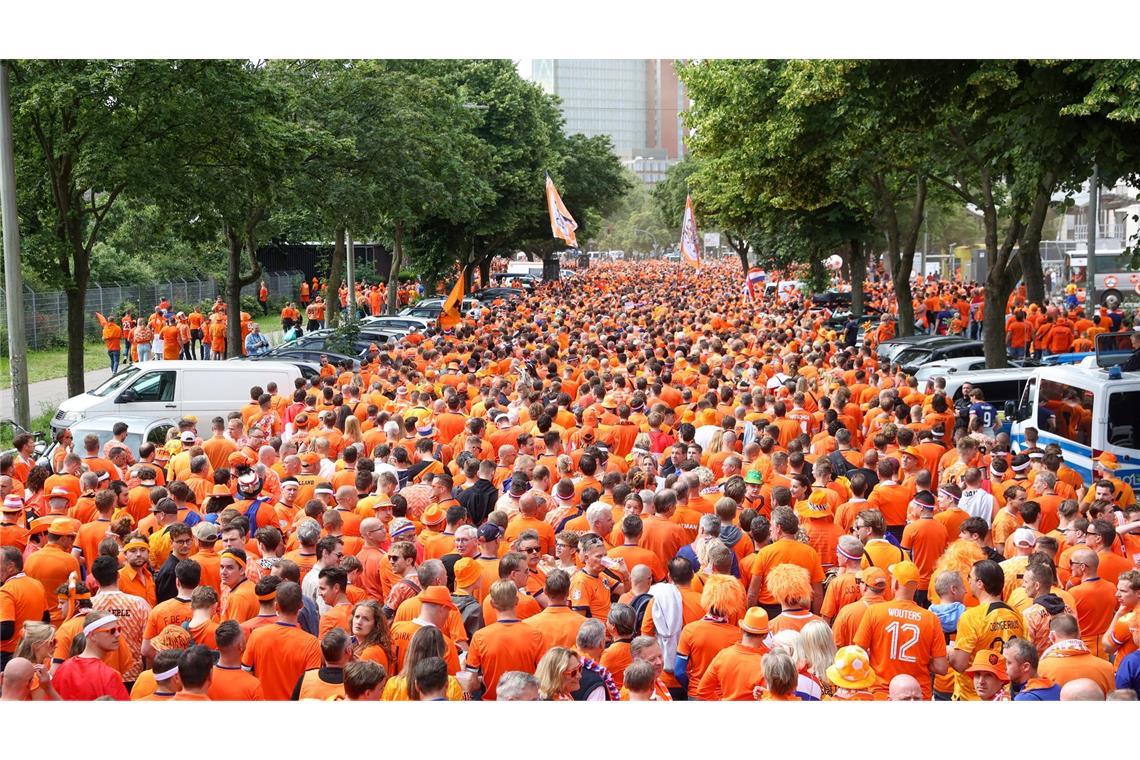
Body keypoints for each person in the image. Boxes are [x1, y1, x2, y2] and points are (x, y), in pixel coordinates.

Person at [52, 611, 130, 700]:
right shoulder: (109, 675)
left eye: (118, 629)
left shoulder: (64, 668)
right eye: (112, 631)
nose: (117, 635)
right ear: (92, 635)